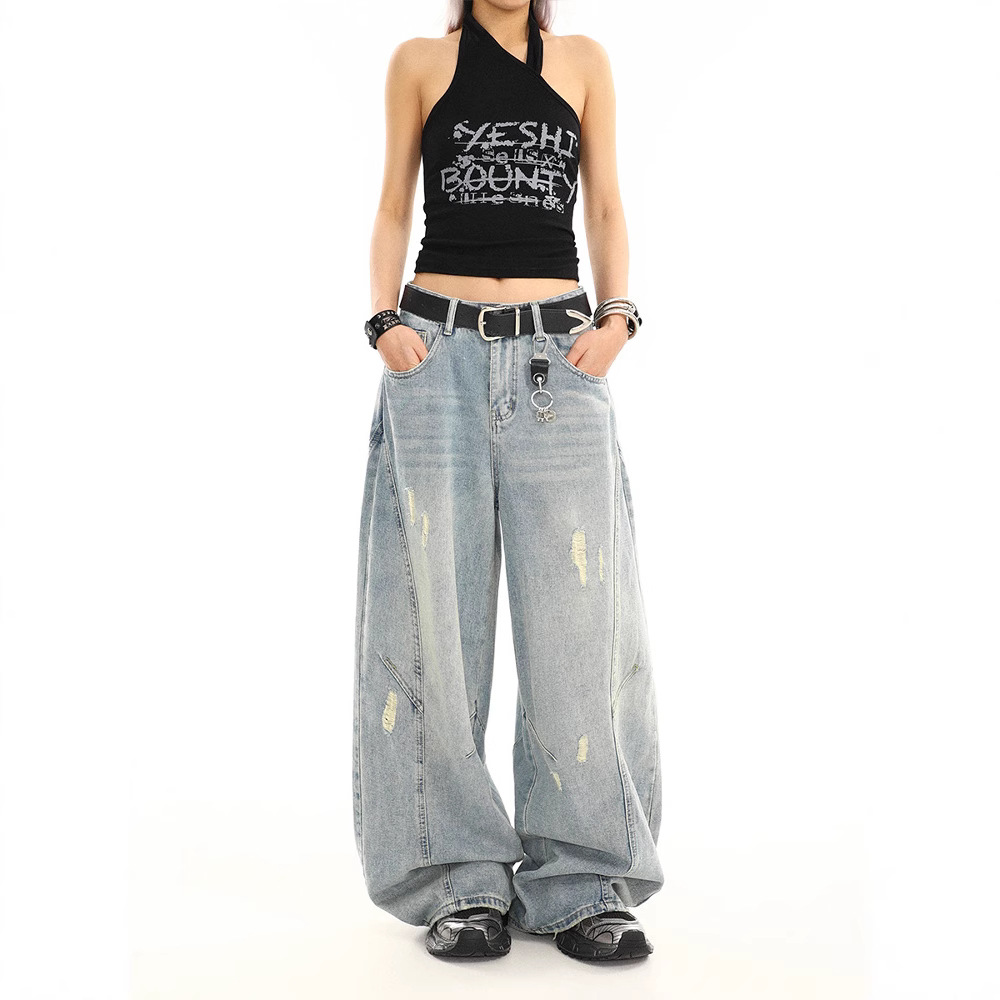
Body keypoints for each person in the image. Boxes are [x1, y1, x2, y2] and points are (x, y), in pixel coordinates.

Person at [354, 0, 663, 961]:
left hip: (557, 362)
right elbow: (394, 204)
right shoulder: (419, 61)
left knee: (578, 624)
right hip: (434, 351)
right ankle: (457, 881)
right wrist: (383, 324)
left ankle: (584, 881)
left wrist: (618, 319)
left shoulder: (581, 60)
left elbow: (603, 203)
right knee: (431, 625)